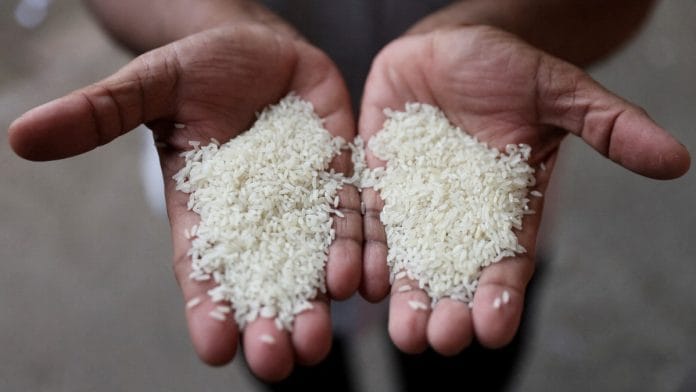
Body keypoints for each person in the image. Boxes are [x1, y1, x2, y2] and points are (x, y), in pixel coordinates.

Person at [8, 0, 690, 387]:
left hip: (483, 124)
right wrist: (207, 27)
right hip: (231, 123)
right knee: (291, 360)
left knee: (462, 363)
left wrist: (505, 28)